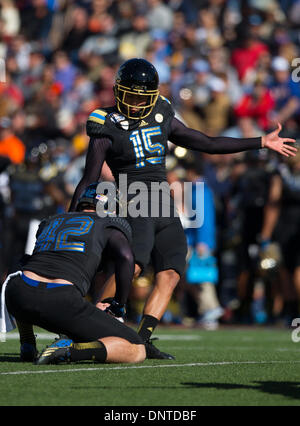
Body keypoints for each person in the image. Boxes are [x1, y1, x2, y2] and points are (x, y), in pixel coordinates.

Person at [68, 58, 297, 359]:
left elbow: (206, 142)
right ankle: (88, 323)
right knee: (132, 265)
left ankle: (143, 340)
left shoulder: (161, 111)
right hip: (134, 199)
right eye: (130, 95)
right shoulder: (106, 123)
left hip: (163, 203)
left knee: (172, 272)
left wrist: (260, 142)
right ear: (118, 91)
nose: (136, 103)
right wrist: (72, 215)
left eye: (141, 97)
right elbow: (89, 176)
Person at [3, 182, 148, 365]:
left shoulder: (52, 220)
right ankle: (72, 351)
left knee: (25, 268)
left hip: (18, 295)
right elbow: (127, 258)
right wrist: (118, 304)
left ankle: (27, 342)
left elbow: (24, 261)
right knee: (136, 349)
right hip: (60, 301)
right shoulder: (109, 223)